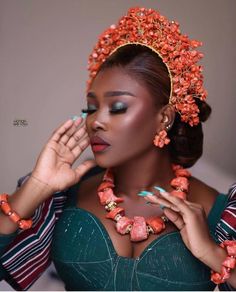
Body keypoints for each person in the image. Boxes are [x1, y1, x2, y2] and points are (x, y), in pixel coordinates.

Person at [0, 6, 235, 291]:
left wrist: (211, 253)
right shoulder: (62, 199)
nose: (96, 120)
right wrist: (36, 186)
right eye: (91, 107)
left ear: (164, 117)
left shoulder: (222, 214)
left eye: (118, 107)